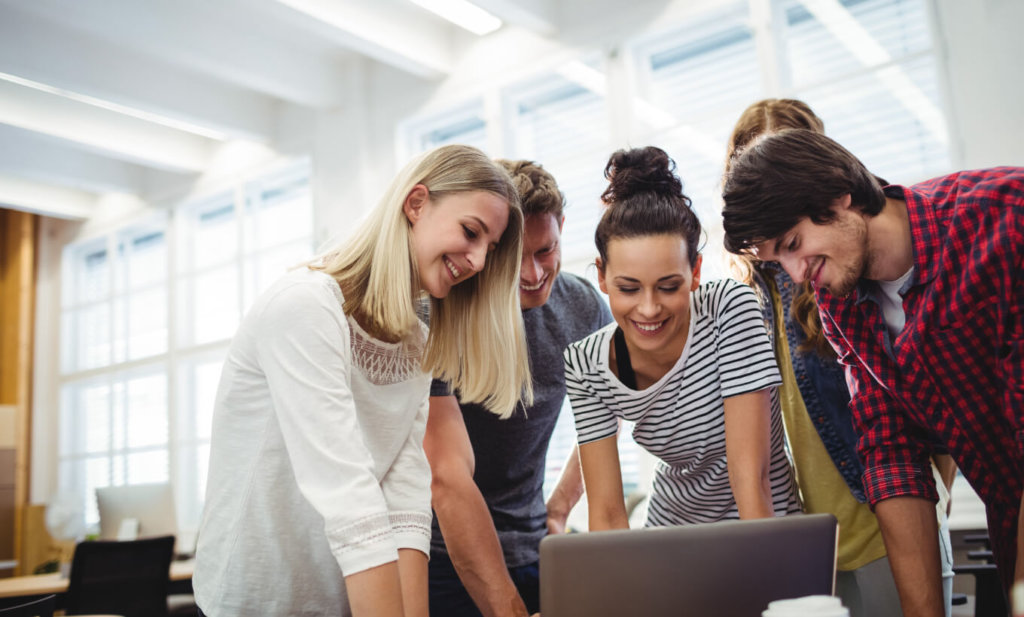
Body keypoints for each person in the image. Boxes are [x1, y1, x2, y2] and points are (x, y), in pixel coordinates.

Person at [193, 145, 533, 617]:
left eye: (489, 249)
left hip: (337, 597)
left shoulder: (418, 342)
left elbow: (406, 500)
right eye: (471, 232)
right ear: (416, 204)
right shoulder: (305, 307)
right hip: (256, 597)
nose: (476, 261)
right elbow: (348, 495)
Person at [721, 128, 1024, 617]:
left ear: (839, 194)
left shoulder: (1005, 218)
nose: (796, 273)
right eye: (780, 258)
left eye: (794, 243)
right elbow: (892, 454)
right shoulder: (839, 304)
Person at [564, 146, 800, 533]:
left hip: (763, 527)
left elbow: (751, 478)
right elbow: (606, 514)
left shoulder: (729, 308)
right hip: (671, 534)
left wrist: (765, 571)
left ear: (695, 272)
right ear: (602, 276)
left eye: (668, 286)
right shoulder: (586, 364)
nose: (649, 308)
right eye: (628, 288)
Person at [424, 159, 613, 617]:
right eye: (516, 258)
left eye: (545, 251)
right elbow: (444, 478)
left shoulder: (583, 306)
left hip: (535, 548)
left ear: (563, 228)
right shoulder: (441, 315)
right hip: (443, 556)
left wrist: (561, 506)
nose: (531, 274)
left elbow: (610, 409)